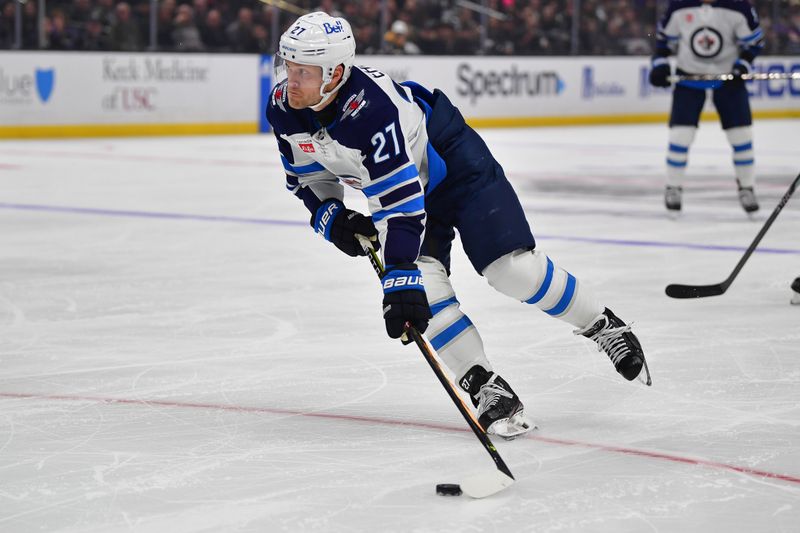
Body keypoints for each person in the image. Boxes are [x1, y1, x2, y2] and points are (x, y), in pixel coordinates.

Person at [267, 12, 651, 439]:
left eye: (304, 71)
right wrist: (331, 217)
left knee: (511, 271)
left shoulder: (371, 110)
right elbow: (307, 178)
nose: (291, 79)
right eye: (289, 67)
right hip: (406, 192)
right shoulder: (285, 108)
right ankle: (486, 386)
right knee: (425, 295)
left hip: (455, 165)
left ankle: (602, 324)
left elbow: (402, 202)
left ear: (335, 73)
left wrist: (397, 271)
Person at [648, 0, 764, 216]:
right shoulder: (678, 6)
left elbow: (754, 43)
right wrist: (659, 64)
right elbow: (662, 41)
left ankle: (747, 188)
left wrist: (743, 65)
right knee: (680, 136)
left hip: (726, 80)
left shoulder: (739, 6)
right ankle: (673, 187)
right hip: (689, 79)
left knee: (741, 137)